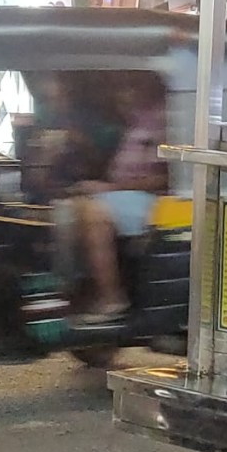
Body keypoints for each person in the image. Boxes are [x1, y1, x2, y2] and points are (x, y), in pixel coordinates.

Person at [69, 73, 170, 324]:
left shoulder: (166, 120)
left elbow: (167, 178)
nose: (123, 93)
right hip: (124, 194)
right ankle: (77, 291)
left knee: (94, 214)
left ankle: (112, 297)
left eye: (130, 86)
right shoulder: (136, 119)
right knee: (69, 206)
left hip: (156, 201)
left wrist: (111, 188)